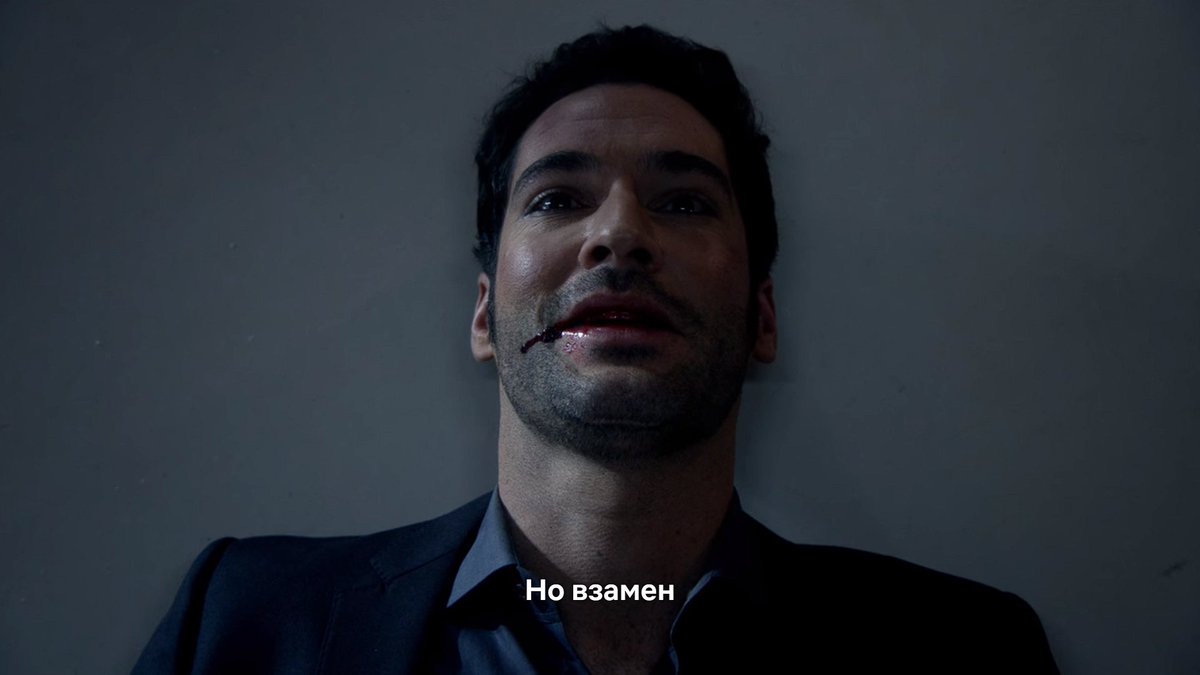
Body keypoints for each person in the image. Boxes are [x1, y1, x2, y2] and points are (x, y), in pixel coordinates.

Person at [133, 25, 1059, 674]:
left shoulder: (970, 650)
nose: (618, 234)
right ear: (485, 313)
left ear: (763, 317)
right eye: (557, 199)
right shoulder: (239, 625)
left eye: (684, 201)